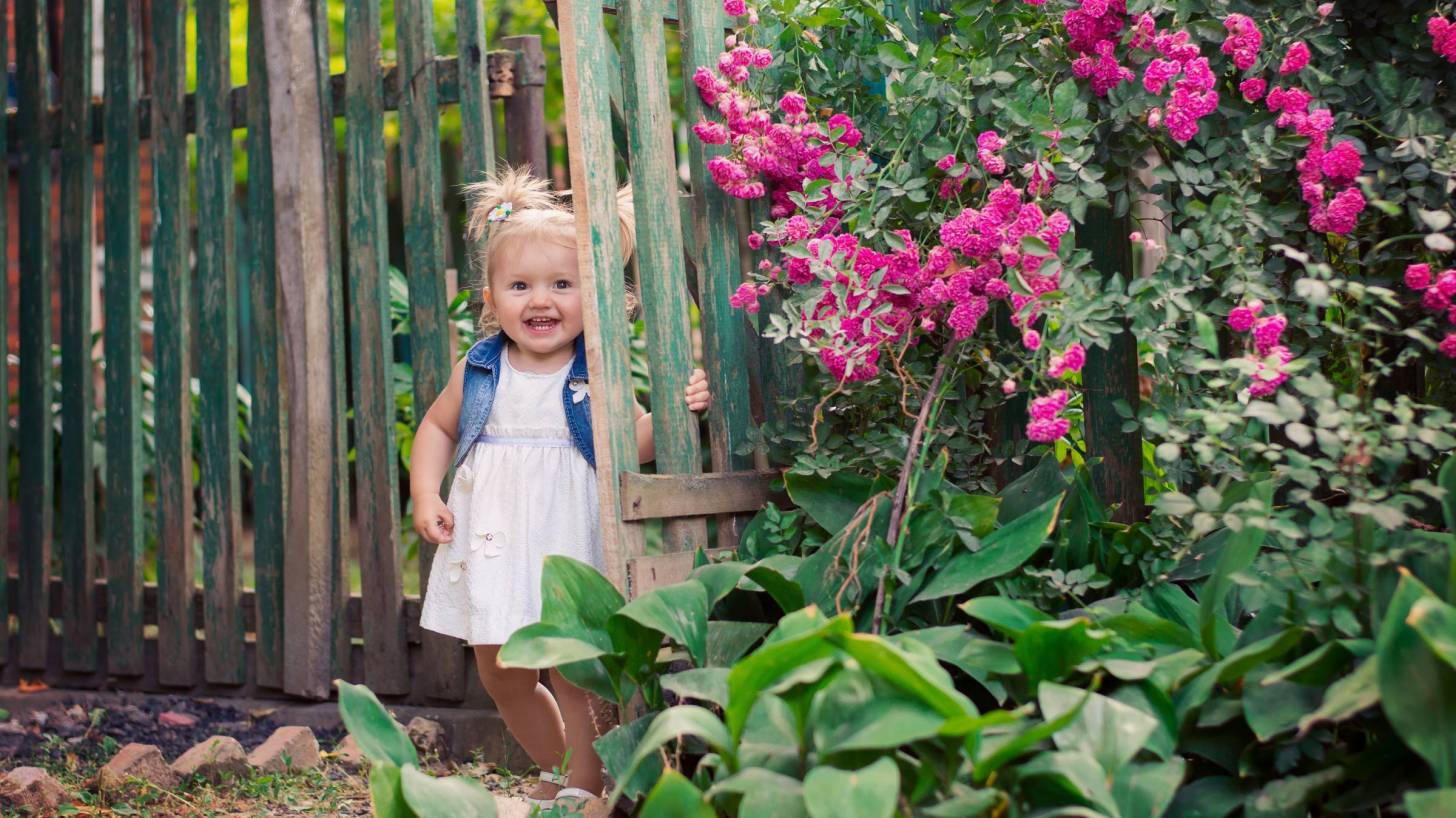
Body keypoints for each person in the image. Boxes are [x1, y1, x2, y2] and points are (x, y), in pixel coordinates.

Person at [410, 168, 709, 809]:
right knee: (501, 669)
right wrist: (424, 493)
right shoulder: (483, 366)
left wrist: (682, 410)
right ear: (491, 299)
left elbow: (634, 442)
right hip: (493, 533)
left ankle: (582, 787)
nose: (540, 300)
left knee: (573, 669)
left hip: (564, 531)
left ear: (596, 297)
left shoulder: (592, 370)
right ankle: (557, 764)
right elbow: (436, 426)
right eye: (520, 286)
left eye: (562, 285)